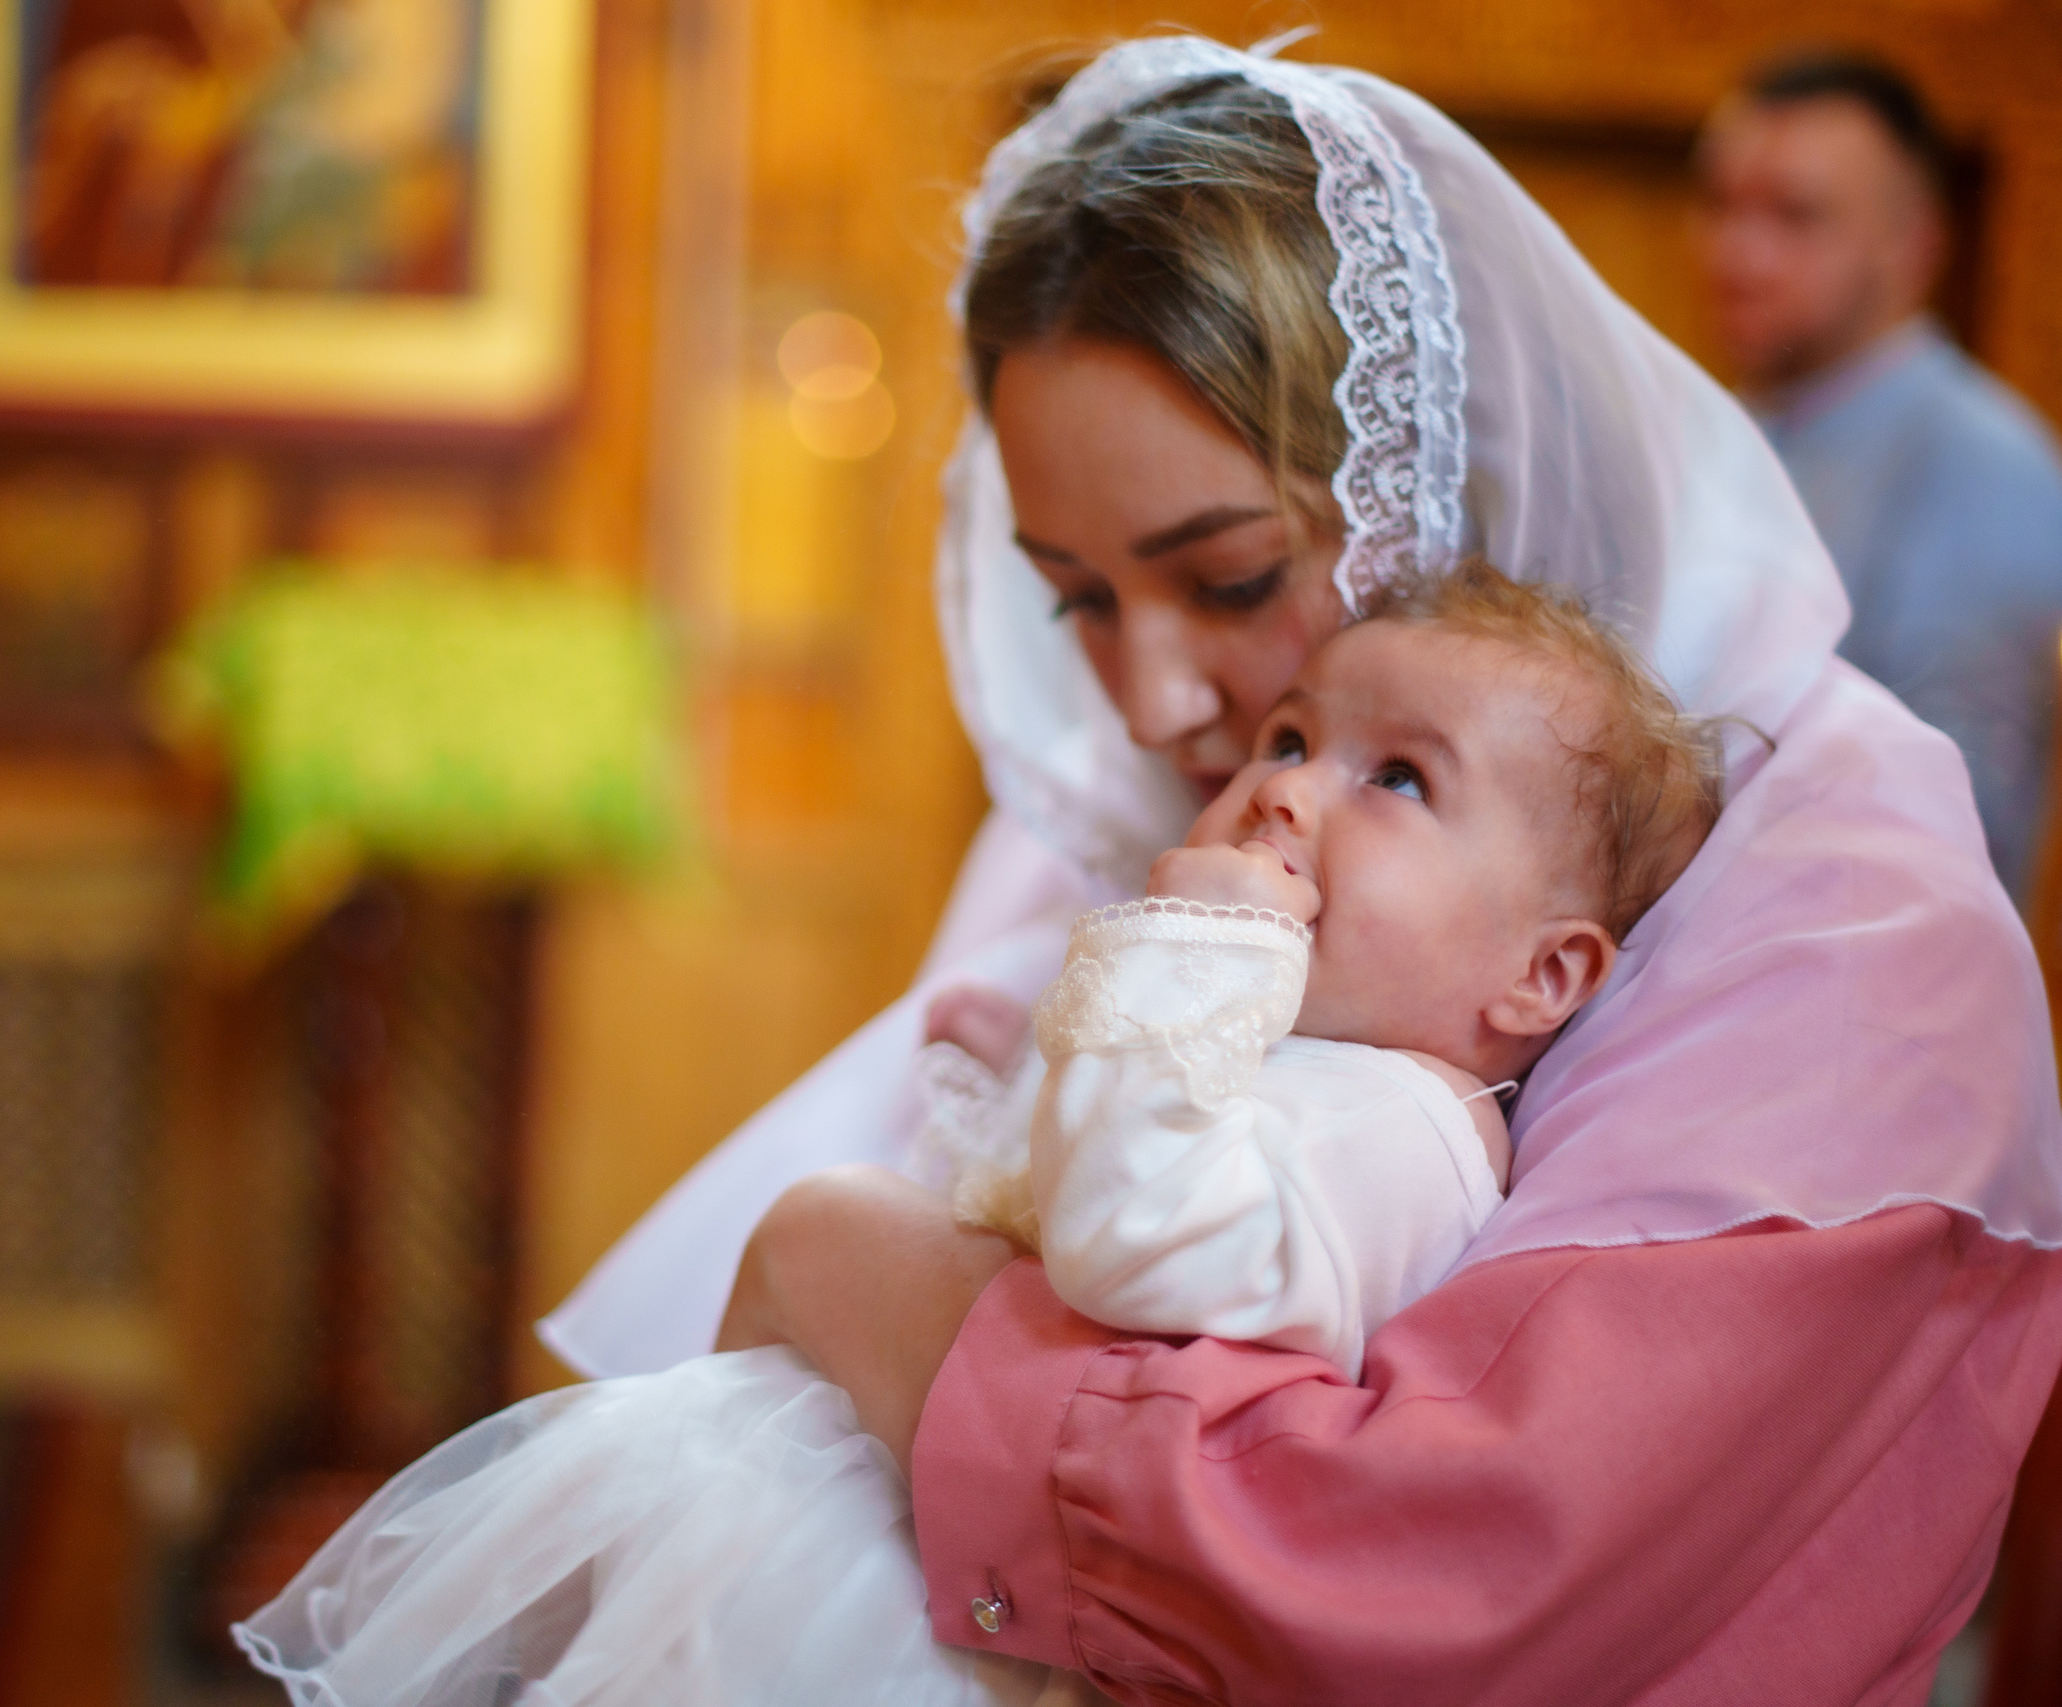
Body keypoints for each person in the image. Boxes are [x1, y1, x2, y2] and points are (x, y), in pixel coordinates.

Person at [547, 37, 2062, 1702]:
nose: (1154, 699)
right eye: (1081, 596)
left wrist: (868, 1274)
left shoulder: (1857, 929)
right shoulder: (1186, 816)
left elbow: (1432, 1570)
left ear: (1437, 466)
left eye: (1232, 572)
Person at [237, 567, 1724, 1705]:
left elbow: (1139, 1236)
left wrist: (1186, 947)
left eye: (1397, 778)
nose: (1283, 787)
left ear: (1544, 975)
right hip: (886, 1507)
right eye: (1293, 735)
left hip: (932, 1612)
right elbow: (1130, 1180)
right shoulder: (1305, 1063)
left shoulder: (1412, 1125)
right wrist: (1029, 1064)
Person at [1697, 50, 2062, 901]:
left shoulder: (1985, 462)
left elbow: (1952, 818)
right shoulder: (1722, 425)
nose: (1739, 252)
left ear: (1913, 242)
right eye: (1719, 205)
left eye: (1796, 214)